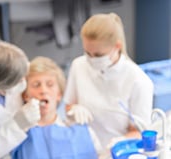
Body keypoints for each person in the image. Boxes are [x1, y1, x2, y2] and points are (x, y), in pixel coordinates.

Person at [1, 56, 106, 159]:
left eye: (50, 85)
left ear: (59, 94)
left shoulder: (80, 132)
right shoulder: (13, 136)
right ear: (25, 95)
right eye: (36, 85)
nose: (43, 90)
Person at [63, 13, 154, 147]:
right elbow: (68, 105)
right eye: (87, 52)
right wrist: (73, 110)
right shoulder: (79, 65)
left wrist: (119, 143)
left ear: (117, 46)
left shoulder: (139, 81)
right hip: (81, 146)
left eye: (98, 55)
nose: (91, 59)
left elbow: (139, 132)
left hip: (116, 154)